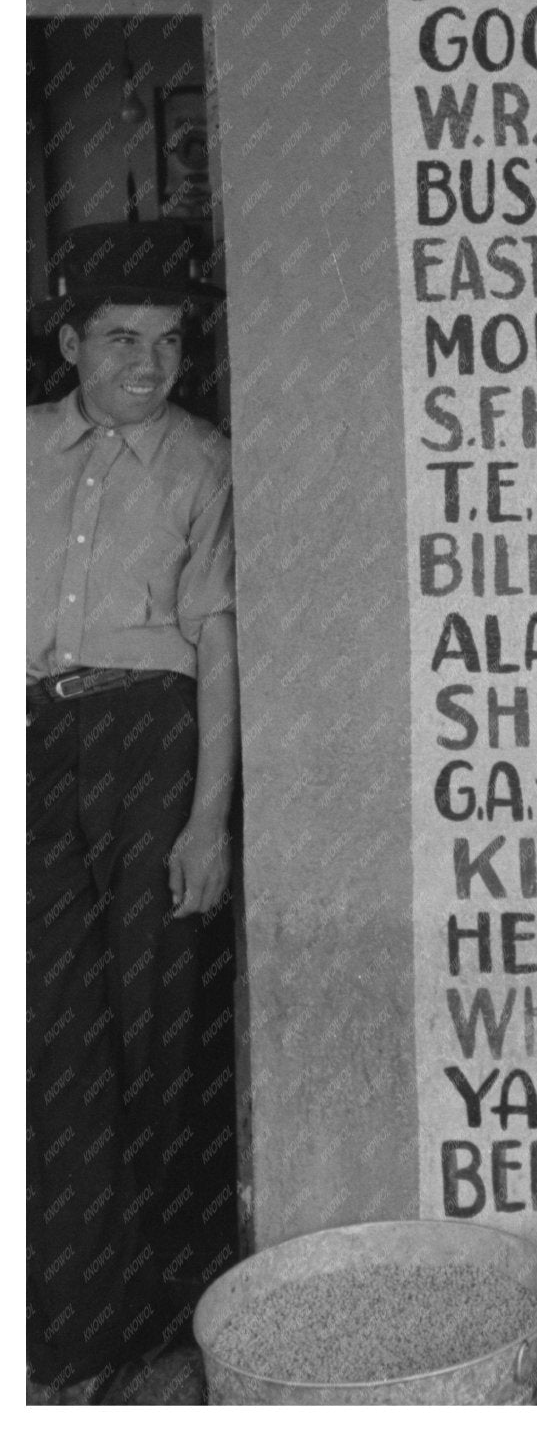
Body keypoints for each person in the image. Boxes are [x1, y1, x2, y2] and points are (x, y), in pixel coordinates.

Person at [27, 221, 239, 1403]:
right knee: (52, 1033)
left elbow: (216, 642)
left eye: (166, 340)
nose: (146, 364)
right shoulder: (16, 449)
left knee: (154, 1026)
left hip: (149, 742)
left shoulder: (204, 459)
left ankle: (156, 1313)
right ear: (71, 342)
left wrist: (207, 816)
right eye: (120, 338)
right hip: (31, 744)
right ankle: (66, 1326)